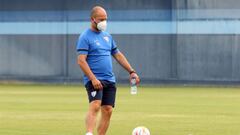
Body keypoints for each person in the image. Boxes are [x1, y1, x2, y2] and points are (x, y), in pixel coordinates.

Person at [76, 6, 140, 135]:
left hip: (109, 79)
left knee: (108, 109)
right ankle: (89, 133)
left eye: (106, 19)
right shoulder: (85, 37)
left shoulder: (107, 37)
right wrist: (93, 78)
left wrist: (131, 71)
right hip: (94, 79)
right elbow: (81, 61)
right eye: (101, 19)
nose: (104, 22)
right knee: (95, 105)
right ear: (92, 19)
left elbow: (118, 55)